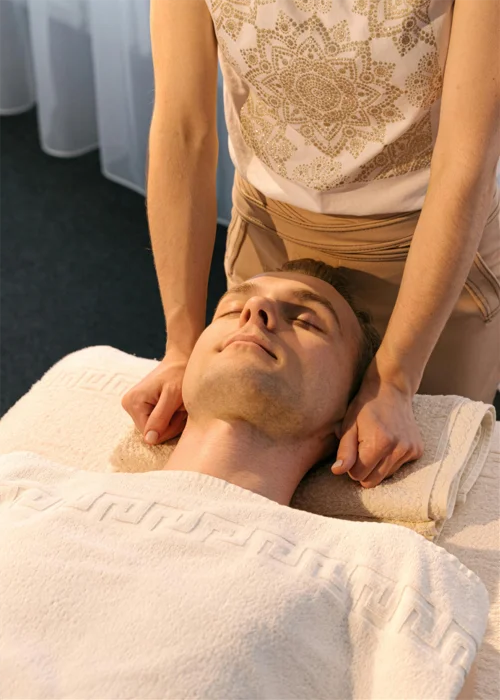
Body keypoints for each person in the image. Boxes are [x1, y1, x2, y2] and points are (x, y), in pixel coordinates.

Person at [0, 264, 479, 699]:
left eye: (308, 321)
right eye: (231, 310)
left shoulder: (385, 571)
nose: (256, 311)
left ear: (348, 412)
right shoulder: (22, 483)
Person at [123, 0, 500, 488]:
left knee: (417, 488)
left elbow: (465, 165)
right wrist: (180, 347)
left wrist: (395, 380)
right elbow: (183, 131)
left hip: (427, 249)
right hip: (270, 242)